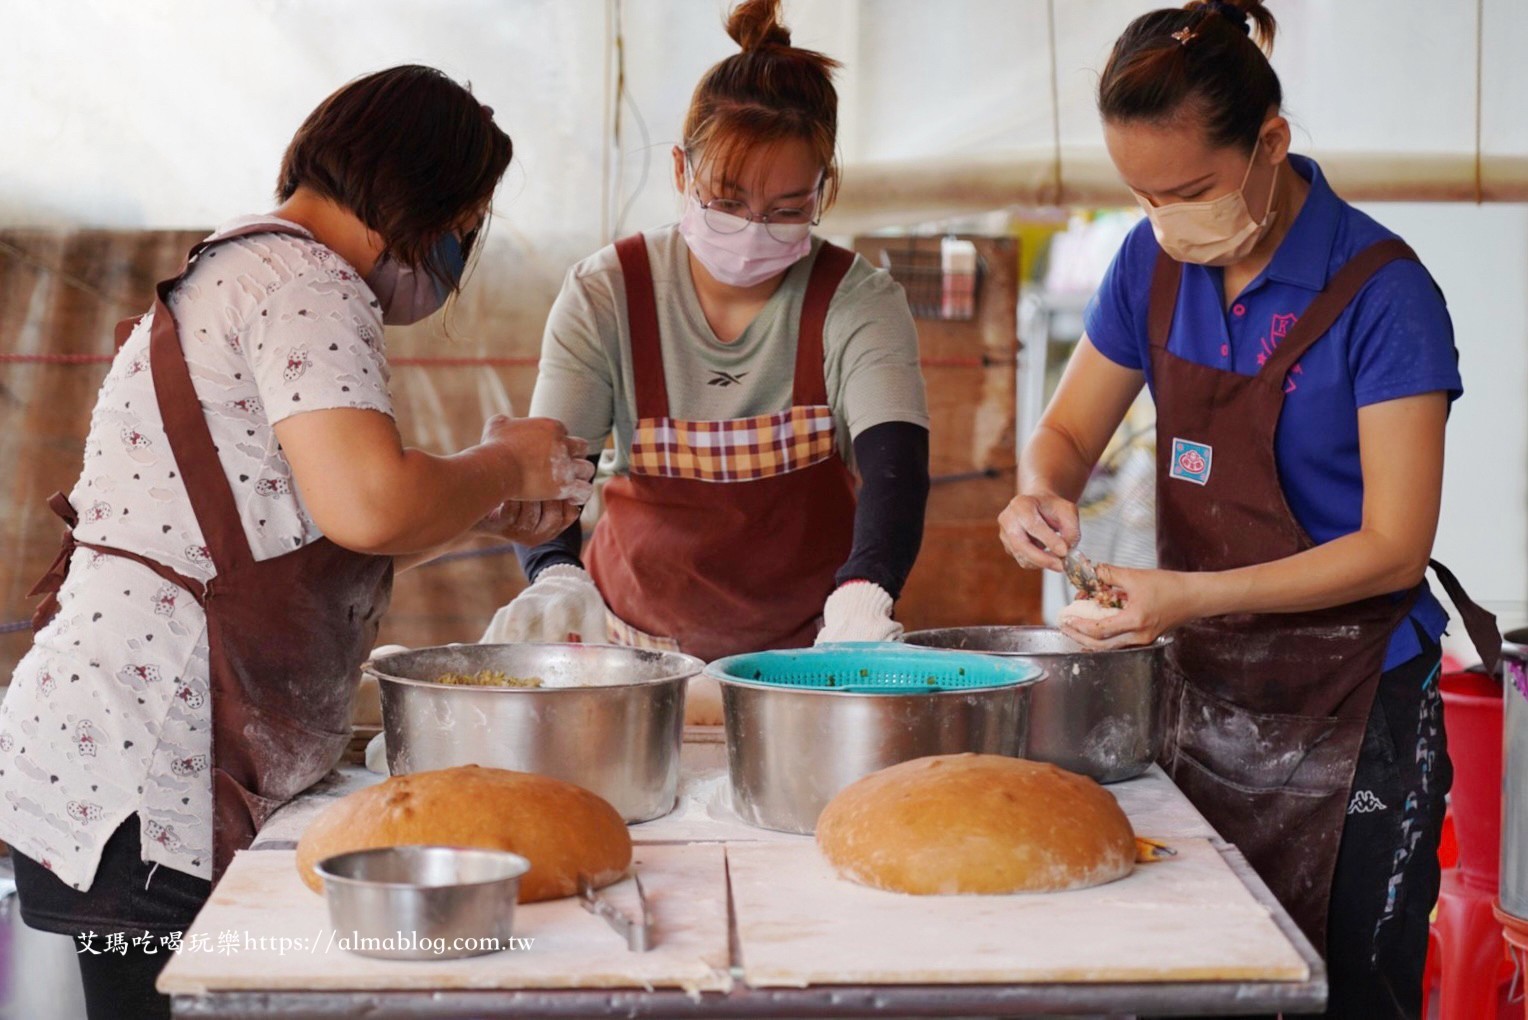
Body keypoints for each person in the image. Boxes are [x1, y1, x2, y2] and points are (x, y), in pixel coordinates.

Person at [0, 65, 593, 1020]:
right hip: (142, 782)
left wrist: (480, 507)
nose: (463, 247)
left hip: (107, 763)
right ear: (427, 197)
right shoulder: (309, 281)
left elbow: (304, 534)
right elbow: (370, 505)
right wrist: (504, 464)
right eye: (469, 219)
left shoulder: (245, 268)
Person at [997, 3, 1500, 1016]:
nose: (1168, 218)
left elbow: (1394, 549)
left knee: (1349, 994)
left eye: (1189, 189)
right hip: (1203, 697)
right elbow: (1063, 438)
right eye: (1143, 195)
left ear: (1269, 143)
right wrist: (1039, 494)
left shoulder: (1382, 293)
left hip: (1358, 709)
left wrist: (1186, 593)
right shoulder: (1150, 263)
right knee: (1194, 982)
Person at [485, 0, 930, 693]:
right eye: (726, 200)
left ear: (824, 190)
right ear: (680, 171)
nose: (754, 229)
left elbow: (895, 472)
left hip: (811, 654)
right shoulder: (608, 293)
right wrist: (554, 574)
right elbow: (549, 470)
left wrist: (865, 597)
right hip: (635, 654)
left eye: (787, 210)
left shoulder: (857, 300)